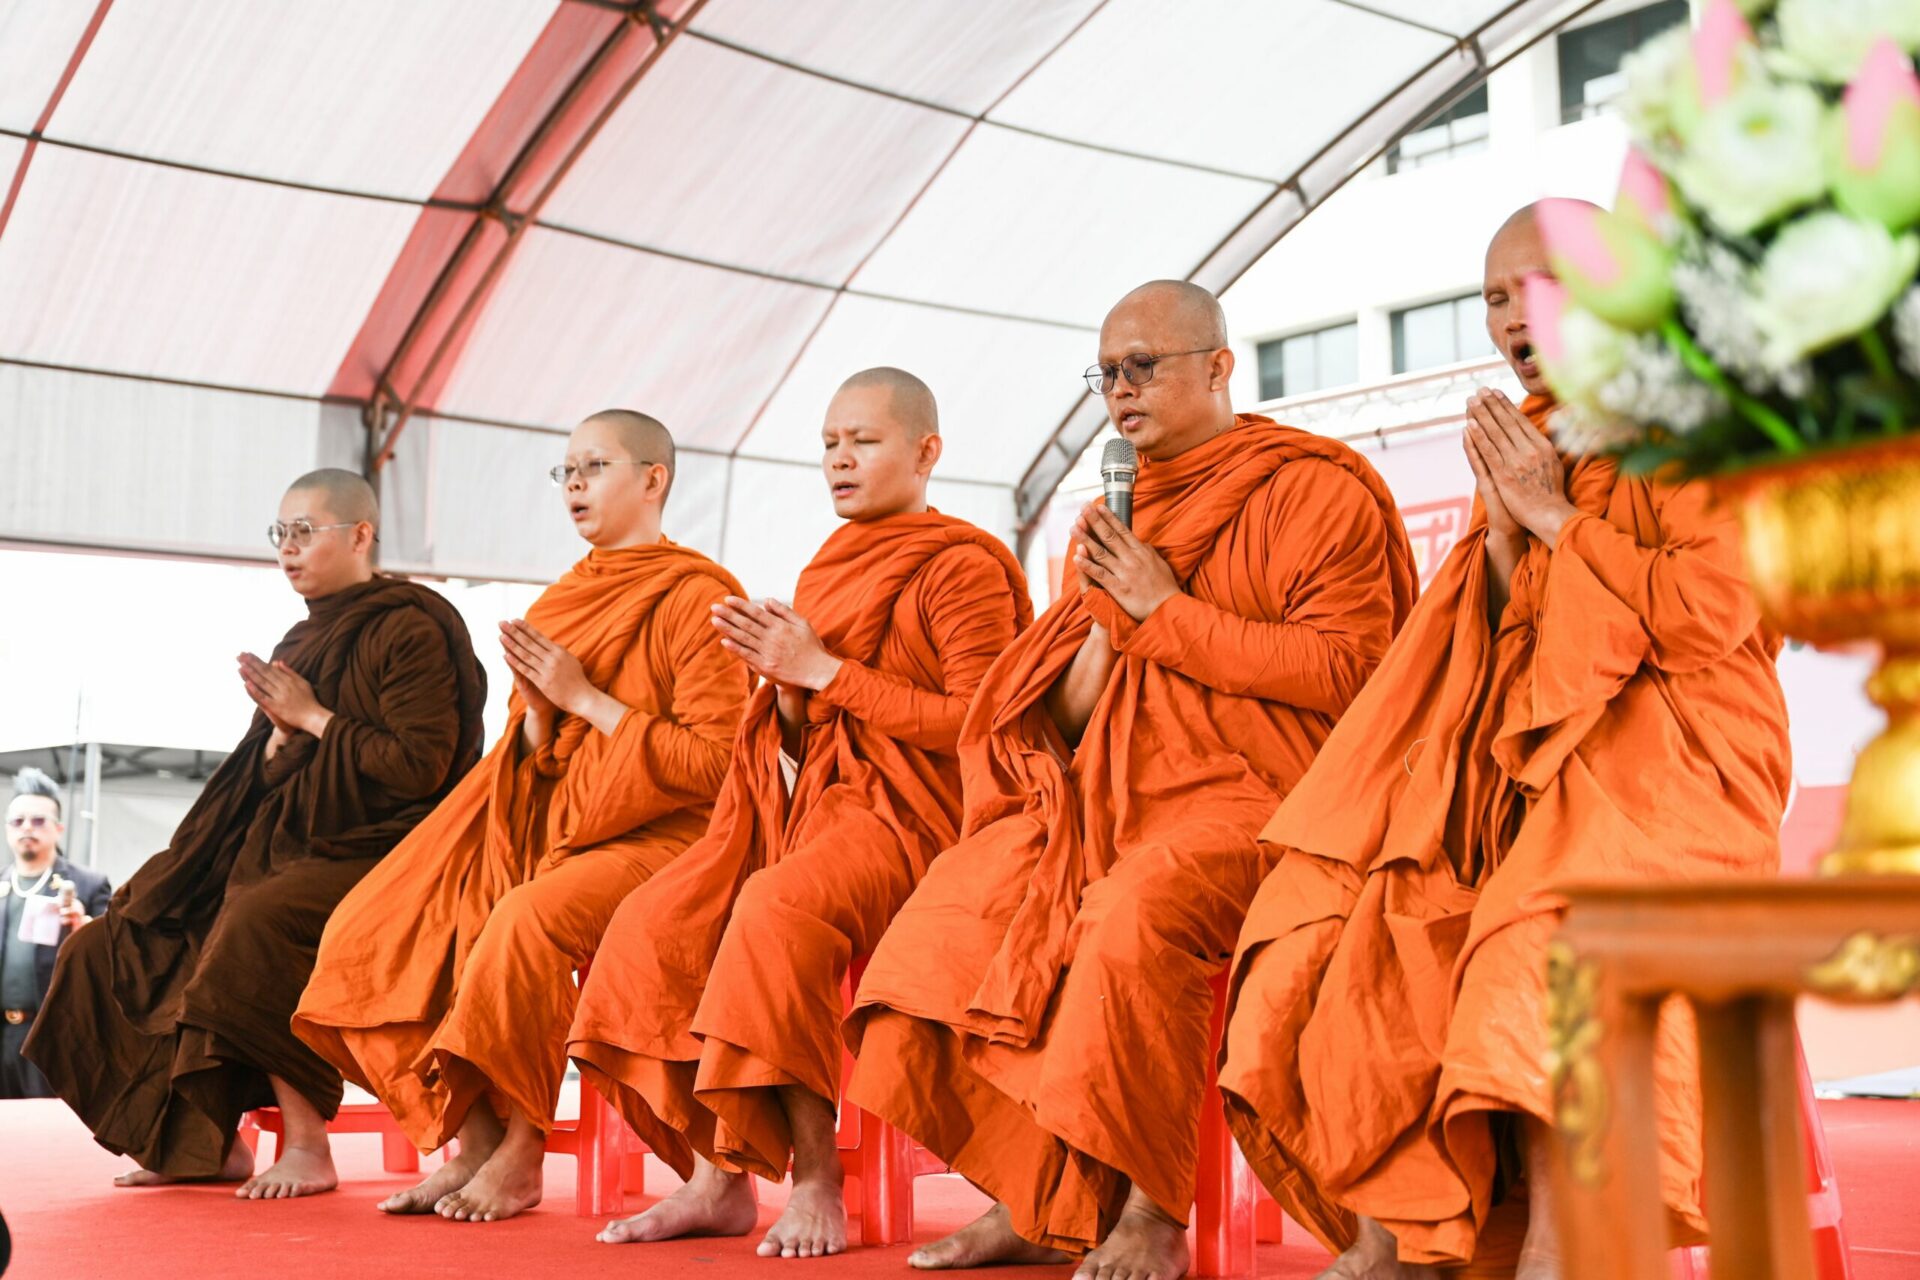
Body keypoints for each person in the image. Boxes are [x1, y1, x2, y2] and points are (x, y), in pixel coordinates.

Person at [1215, 203, 1792, 1277]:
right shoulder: (1534, 440)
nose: (1514, 315)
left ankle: (1567, 1250)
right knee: (1364, 928)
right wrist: (1497, 529)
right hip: (1518, 776)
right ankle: (1408, 1236)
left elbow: (1708, 613)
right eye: (1493, 295)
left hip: (1668, 776)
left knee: (1537, 946)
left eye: (1543, 285)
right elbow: (1489, 643)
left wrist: (1554, 516)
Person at [844, 280, 1418, 1279]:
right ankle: (1035, 1195)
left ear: (1218, 367)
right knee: (945, 919)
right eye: (1107, 373)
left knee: (1129, 913)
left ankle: (1153, 1210)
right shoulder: (1105, 525)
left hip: (1266, 801)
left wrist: (1165, 610)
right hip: (1113, 795)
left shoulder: (1319, 488)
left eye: (1143, 366)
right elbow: (1061, 718)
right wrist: (1111, 630)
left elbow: (1351, 671)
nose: (1121, 390)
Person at [567, 368, 1032, 1258]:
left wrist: (822, 673)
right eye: (828, 445)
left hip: (920, 823)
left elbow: (982, 723)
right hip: (818, 808)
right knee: (653, 923)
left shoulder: (960, 565)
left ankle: (817, 1179)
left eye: (863, 441)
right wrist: (783, 685)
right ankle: (716, 1175)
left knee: (774, 908)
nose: (840, 461)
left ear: (926, 452)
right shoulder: (830, 562)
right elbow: (811, 723)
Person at [294, 410, 751, 1224]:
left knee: (523, 919)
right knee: (379, 923)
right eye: (566, 471)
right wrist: (542, 716)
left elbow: (718, 767)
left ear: (655, 478)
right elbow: (541, 758)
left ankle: (524, 1147)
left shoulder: (698, 595)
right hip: (557, 825)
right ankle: (473, 1137)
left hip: (664, 838)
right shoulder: (567, 597)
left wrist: (584, 699)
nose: (575, 485)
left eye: (595, 467)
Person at [27, 469, 486, 1199]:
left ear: (360, 534)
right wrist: (276, 746)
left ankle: (308, 1147)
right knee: (111, 944)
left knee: (252, 923)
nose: (287, 549)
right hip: (287, 847)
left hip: (391, 853)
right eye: (280, 533)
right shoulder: (302, 639)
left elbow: (419, 766)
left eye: (306, 531)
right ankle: (197, 1144)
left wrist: (310, 719)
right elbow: (268, 779)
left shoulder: (411, 625)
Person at [2, 769, 111, 1099]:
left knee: (45, 1139)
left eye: (38, 821)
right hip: (3, 1033)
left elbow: (116, 954)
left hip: (54, 1036)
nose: (27, 829)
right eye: (18, 821)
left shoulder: (88, 884)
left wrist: (84, 924)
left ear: (58, 828)